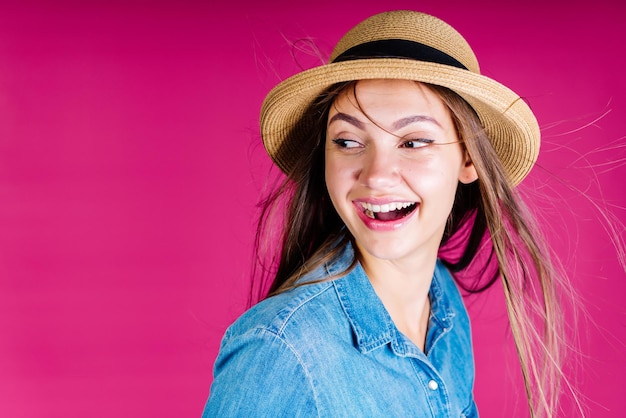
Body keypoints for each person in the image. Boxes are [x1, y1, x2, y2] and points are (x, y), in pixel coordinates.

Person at [203, 10, 571, 417]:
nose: (376, 177)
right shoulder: (281, 352)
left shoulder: (442, 300)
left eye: (413, 142)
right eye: (347, 141)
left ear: (470, 158)